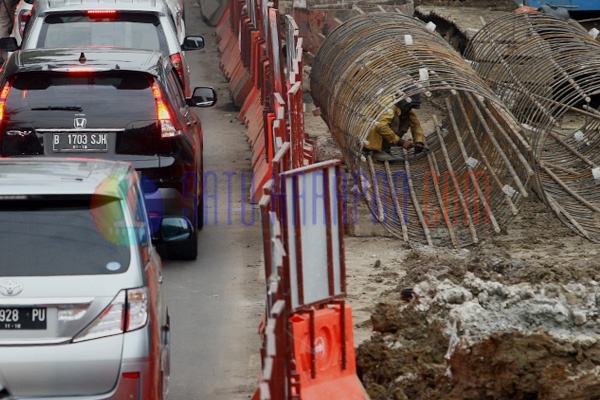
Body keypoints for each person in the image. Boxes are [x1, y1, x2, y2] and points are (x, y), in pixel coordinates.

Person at [364, 93, 426, 161]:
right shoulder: (390, 105)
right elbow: (381, 126)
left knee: (407, 118)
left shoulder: (405, 108)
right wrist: (400, 142)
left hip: (374, 131)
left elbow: (415, 125)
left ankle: (385, 149)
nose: (410, 108)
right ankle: (378, 151)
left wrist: (418, 141)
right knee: (395, 119)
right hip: (366, 133)